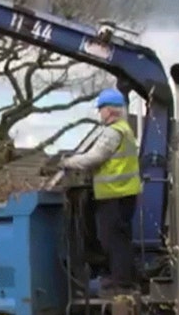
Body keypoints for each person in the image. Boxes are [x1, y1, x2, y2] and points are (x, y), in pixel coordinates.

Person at [58, 88, 143, 294]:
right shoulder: (125, 129)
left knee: (111, 238)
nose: (100, 113)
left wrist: (67, 162)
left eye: (101, 109)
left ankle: (120, 281)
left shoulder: (114, 131)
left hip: (115, 194)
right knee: (120, 237)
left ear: (111, 110)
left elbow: (95, 157)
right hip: (123, 193)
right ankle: (123, 277)